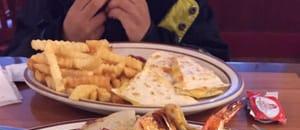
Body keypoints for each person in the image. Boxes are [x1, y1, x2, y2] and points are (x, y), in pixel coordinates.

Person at [5, 0, 229, 60]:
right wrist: (62, 37)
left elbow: (217, 63)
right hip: (58, 121)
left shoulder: (182, 4)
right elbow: (14, 59)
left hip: (160, 121)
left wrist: (151, 39)